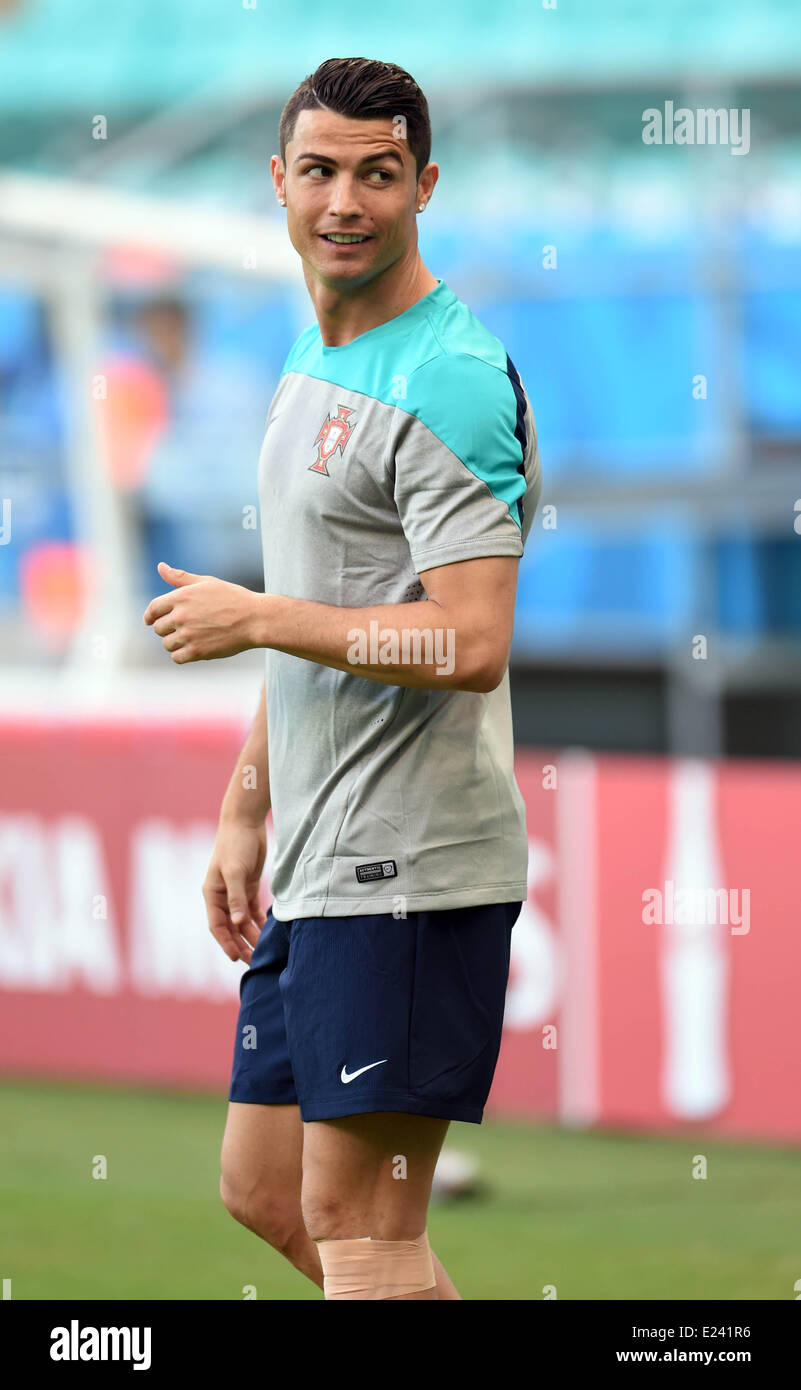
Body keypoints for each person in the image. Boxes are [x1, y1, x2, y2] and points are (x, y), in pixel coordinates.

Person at [142, 56, 542, 1300]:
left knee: (363, 1233)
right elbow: (346, 602)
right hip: (319, 853)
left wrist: (257, 616)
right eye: (319, 171)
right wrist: (248, 802)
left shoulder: (451, 377)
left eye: (379, 174)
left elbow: (468, 643)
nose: (346, 202)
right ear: (278, 182)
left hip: (409, 866)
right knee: (263, 1189)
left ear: (425, 185)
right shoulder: (317, 356)